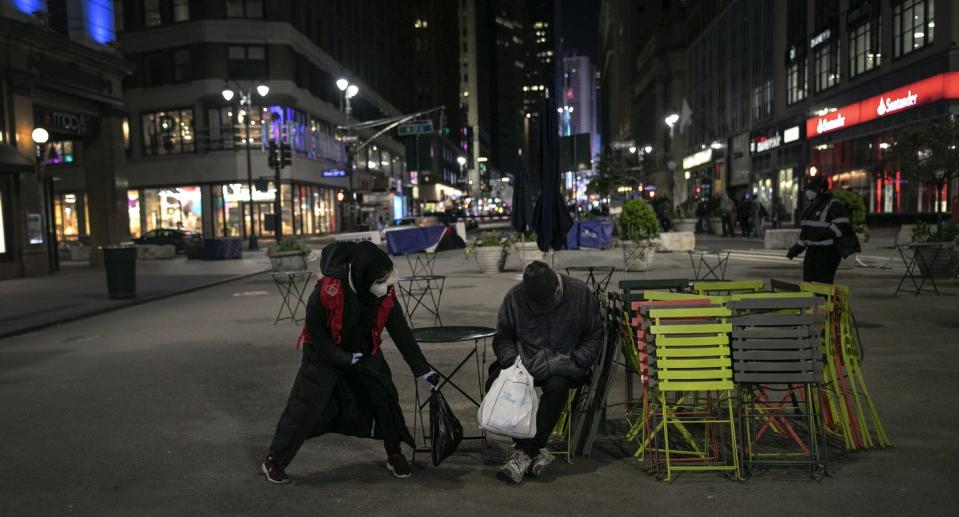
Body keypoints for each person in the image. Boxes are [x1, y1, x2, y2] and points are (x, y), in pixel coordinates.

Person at [261, 241, 438, 484]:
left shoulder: (385, 292)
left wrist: (422, 369)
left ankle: (394, 453)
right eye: (380, 280)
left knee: (384, 398)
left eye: (388, 279)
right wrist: (341, 357)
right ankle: (274, 460)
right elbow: (315, 330)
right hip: (323, 352)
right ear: (363, 276)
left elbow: (400, 332)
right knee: (305, 406)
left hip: (365, 349)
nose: (386, 285)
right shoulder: (328, 290)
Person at [490, 261, 605, 484]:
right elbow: (503, 337)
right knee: (496, 382)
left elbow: (594, 335)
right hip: (525, 364)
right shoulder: (514, 298)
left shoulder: (580, 293)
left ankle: (524, 453)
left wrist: (578, 360)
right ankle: (535, 450)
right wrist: (512, 364)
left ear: (557, 290)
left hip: (566, 364)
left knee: (557, 386)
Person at [787, 176, 861, 284]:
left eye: (811, 189)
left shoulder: (834, 204)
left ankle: (826, 301)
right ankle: (814, 301)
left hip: (828, 252)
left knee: (823, 285)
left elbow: (842, 226)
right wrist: (794, 250)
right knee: (808, 284)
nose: (808, 192)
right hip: (812, 252)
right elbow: (805, 235)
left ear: (821, 190)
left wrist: (821, 234)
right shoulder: (809, 209)